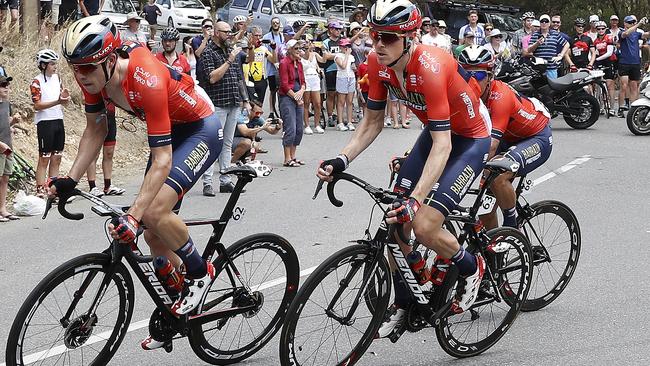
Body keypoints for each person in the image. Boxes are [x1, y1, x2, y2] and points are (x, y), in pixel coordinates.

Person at [317, 0, 491, 337]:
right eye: (374, 35)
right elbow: (371, 122)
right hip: (437, 133)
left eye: (389, 38)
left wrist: (418, 198)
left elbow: (444, 146)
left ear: (409, 38)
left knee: (424, 224)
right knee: (395, 220)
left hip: (470, 138)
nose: (378, 44)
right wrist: (342, 158)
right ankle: (406, 300)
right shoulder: (376, 63)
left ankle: (472, 267)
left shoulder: (430, 66)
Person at [55, 16, 223, 350]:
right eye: (75, 67)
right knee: (153, 238)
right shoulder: (94, 77)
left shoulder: (146, 76)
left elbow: (161, 159)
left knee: (152, 213)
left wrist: (133, 214)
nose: (80, 76)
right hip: (169, 134)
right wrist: (68, 180)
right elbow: (96, 129)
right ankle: (179, 312)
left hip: (198, 129)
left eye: (87, 67)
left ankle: (200, 273)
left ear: (108, 59)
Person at [458, 45, 552, 230]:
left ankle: (512, 229)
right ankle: (493, 253)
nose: (471, 80)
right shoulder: (464, 95)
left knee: (499, 177)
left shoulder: (499, 96)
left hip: (535, 137)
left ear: (490, 76)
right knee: (484, 211)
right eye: (466, 75)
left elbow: (491, 147)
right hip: (507, 139)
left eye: (477, 75)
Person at [197, 20, 244, 196]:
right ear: (216, 33)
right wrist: (229, 60)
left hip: (233, 102)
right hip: (217, 104)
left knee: (227, 144)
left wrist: (244, 99)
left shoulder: (228, 49)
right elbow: (212, 78)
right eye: (226, 32)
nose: (229, 35)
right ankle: (207, 182)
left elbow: (238, 76)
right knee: (212, 143)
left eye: (230, 32)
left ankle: (225, 180)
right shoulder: (209, 52)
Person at [30, 49, 70, 196]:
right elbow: (37, 105)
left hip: (58, 119)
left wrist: (64, 99)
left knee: (57, 157)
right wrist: (58, 101)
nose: (55, 66)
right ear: (43, 65)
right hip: (45, 122)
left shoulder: (57, 78)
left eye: (55, 63)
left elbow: (61, 102)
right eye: (52, 64)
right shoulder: (36, 81)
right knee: (44, 158)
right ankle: (40, 189)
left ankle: (53, 188)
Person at [85, 103, 125, 197]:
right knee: (94, 153)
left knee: (109, 152)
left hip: (110, 117)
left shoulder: (110, 88)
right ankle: (92, 187)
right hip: (97, 117)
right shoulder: (93, 88)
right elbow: (84, 99)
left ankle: (108, 186)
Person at [279, 39, 306, 167]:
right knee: (291, 127)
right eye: (296, 49)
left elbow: (303, 82)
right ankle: (287, 158)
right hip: (287, 97)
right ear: (289, 50)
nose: (299, 51)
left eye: (299, 49)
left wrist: (301, 91)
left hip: (298, 96)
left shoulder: (299, 63)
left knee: (299, 128)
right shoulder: (284, 63)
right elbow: (284, 85)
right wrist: (296, 96)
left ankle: (293, 156)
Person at [617, 16, 650, 117]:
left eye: (633, 22)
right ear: (625, 23)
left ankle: (633, 110)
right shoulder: (621, 32)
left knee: (634, 86)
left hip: (635, 63)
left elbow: (646, 35)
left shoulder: (637, 33)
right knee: (623, 85)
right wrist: (638, 24)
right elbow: (626, 34)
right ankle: (620, 108)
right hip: (624, 62)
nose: (631, 24)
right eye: (630, 22)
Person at [0, 74, 20, 221]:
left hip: (8, 146)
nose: (6, 88)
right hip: (1, 146)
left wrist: (13, 122)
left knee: (5, 178)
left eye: (7, 85)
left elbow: (5, 125)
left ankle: (3, 208)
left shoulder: (7, 105)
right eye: (3, 85)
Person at [525, 14, 569, 79]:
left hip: (552, 68)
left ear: (549, 23)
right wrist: (537, 43)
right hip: (538, 69)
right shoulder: (535, 35)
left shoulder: (555, 34)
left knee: (552, 88)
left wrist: (560, 56)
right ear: (540, 23)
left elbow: (566, 44)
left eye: (546, 21)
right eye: (542, 21)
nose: (544, 23)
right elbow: (529, 50)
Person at [301, 35, 325, 135]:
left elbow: (323, 60)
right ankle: (306, 125)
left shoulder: (314, 54)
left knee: (317, 103)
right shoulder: (301, 53)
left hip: (315, 78)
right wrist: (306, 49)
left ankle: (317, 125)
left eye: (310, 41)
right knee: (306, 103)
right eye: (307, 42)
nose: (309, 43)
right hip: (305, 78)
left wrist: (323, 50)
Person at [322, 21, 344, 128]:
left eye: (340, 29)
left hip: (342, 70)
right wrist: (339, 54)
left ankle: (338, 115)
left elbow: (348, 52)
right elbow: (326, 56)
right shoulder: (326, 42)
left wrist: (333, 55)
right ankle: (330, 115)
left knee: (340, 94)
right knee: (331, 93)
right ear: (330, 30)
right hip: (330, 69)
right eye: (336, 29)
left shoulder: (342, 41)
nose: (339, 31)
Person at [593, 21, 617, 116]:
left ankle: (611, 108)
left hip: (609, 61)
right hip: (599, 62)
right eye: (598, 29)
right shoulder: (596, 40)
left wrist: (596, 59)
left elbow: (609, 53)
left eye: (602, 28)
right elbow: (595, 51)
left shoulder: (609, 37)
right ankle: (601, 107)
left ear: (605, 29)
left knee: (610, 85)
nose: (601, 30)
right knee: (599, 85)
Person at [263, 17, 285, 116]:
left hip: (282, 69)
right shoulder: (266, 37)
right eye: (273, 23)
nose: (275, 24)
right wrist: (274, 61)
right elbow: (265, 53)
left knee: (282, 90)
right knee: (272, 91)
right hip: (271, 69)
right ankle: (271, 111)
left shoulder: (282, 36)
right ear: (271, 24)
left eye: (277, 22)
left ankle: (281, 110)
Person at [334, 38, 356, 131]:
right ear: (341, 47)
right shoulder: (338, 56)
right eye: (345, 46)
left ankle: (350, 121)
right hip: (342, 78)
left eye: (348, 46)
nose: (347, 48)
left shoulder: (351, 57)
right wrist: (346, 55)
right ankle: (340, 122)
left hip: (351, 77)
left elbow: (352, 66)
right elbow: (342, 66)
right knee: (341, 101)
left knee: (350, 101)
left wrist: (354, 68)